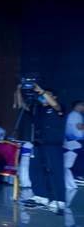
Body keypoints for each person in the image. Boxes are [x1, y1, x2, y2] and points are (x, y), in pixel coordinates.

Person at [17, 83, 66, 212]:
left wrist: (42, 91)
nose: (43, 97)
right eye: (41, 95)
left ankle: (59, 200)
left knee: (55, 171)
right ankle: (40, 197)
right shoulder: (38, 109)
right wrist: (18, 90)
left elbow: (56, 106)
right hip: (38, 144)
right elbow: (22, 106)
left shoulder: (58, 107)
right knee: (35, 170)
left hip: (53, 145)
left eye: (47, 95)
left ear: (54, 97)